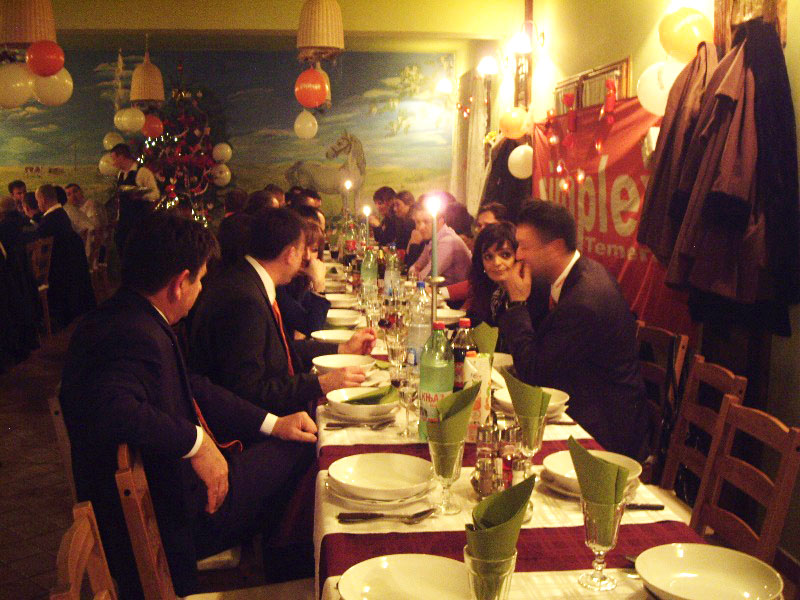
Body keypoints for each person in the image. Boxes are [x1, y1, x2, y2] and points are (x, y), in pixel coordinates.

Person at [59, 212, 318, 598]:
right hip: (181, 517)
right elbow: (112, 408)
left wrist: (273, 423)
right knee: (309, 451)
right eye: (199, 280)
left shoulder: (133, 315)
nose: (201, 289)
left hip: (179, 494)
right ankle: (298, 578)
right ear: (180, 283)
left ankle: (286, 570)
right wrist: (195, 444)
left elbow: (194, 387)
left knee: (294, 440)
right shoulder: (128, 333)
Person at [189, 208, 375, 415]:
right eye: (302, 250)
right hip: (256, 425)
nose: (305, 258)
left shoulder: (249, 279)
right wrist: (320, 384)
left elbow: (280, 352)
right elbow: (247, 391)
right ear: (290, 254)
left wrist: (342, 348)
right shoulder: (245, 301)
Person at [498, 200, 647, 457]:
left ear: (555, 247)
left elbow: (534, 372)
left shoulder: (584, 301)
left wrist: (517, 304)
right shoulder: (572, 275)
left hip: (604, 429)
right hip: (583, 402)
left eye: (524, 246)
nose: (518, 255)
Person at [35, 184, 96, 328]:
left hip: (58, 275)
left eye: (37, 201)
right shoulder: (62, 215)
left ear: (42, 200)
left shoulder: (48, 222)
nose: (38, 204)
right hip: (72, 271)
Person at [278, 209, 330, 338]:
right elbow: (313, 329)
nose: (307, 256)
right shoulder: (280, 284)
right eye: (303, 249)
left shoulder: (300, 279)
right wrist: (319, 285)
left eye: (314, 250)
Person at [464, 222, 517, 330]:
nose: (496, 263)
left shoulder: (529, 296)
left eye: (505, 255)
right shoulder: (492, 292)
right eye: (488, 257)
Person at [410, 198, 472, 286]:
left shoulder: (447, 241)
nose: (420, 227)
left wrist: (416, 273)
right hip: (440, 291)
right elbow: (414, 268)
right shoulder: (433, 238)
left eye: (426, 222)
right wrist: (415, 271)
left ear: (441, 221)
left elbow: (425, 278)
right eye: (418, 222)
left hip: (457, 294)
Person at [111, 143, 159, 254]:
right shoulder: (120, 174)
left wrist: (141, 196)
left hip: (139, 221)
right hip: (124, 222)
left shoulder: (143, 172)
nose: (113, 163)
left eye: (114, 159)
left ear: (121, 157)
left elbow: (155, 194)